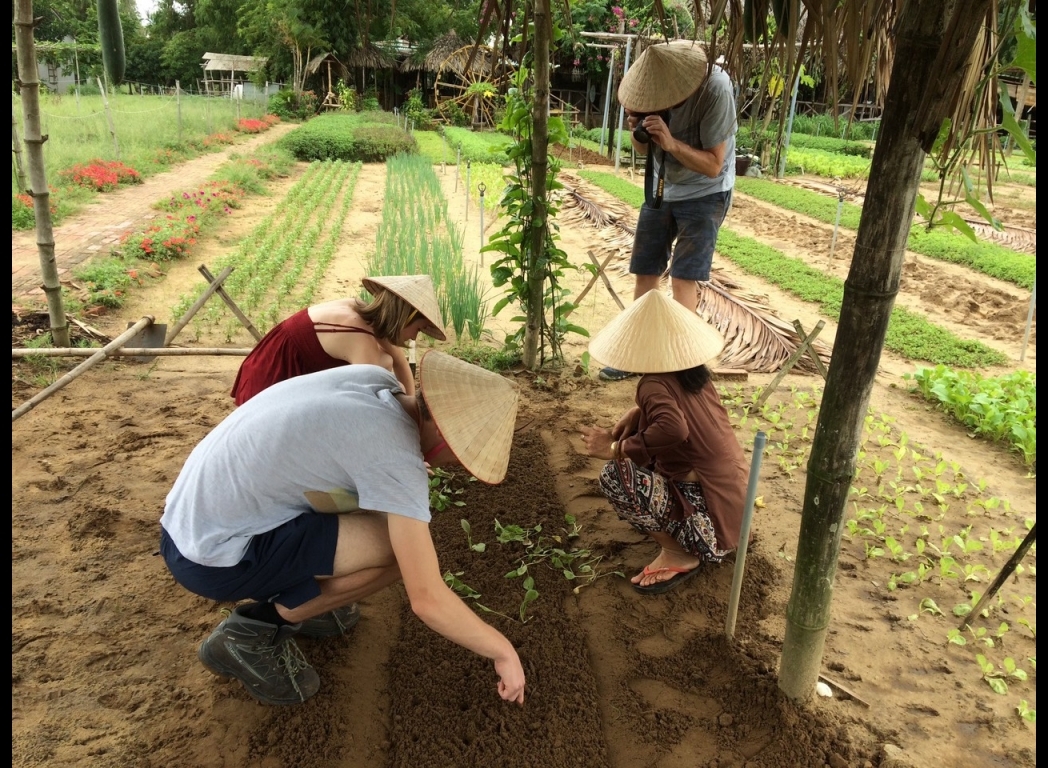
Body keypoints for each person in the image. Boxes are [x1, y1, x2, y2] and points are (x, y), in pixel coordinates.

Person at [160, 351, 526, 706]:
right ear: (448, 440)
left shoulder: (377, 382)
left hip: (191, 520)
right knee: (399, 556)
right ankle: (252, 632)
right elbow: (427, 599)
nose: (456, 465)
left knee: (389, 521)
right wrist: (501, 650)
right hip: (213, 557)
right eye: (461, 457)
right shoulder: (394, 456)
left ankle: (309, 599)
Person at [580, 290, 748, 594]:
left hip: (710, 536)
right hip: (737, 515)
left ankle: (679, 554)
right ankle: (681, 539)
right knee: (643, 444)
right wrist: (640, 412)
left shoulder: (652, 383)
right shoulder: (695, 375)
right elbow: (680, 421)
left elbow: (674, 428)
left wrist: (615, 449)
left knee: (615, 475)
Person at [600, 39, 737, 382]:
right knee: (645, 267)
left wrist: (671, 142)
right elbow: (641, 147)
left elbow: (713, 166)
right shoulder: (650, 95)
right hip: (664, 189)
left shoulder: (715, 88)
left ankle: (683, 367)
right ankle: (636, 354)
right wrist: (640, 130)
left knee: (684, 277)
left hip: (706, 191)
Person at [230, 274, 446, 405]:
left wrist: (410, 404)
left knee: (388, 366)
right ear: (403, 317)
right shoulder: (358, 337)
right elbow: (369, 405)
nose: (414, 338)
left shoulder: (361, 311)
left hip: (274, 363)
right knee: (384, 380)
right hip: (272, 377)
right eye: (418, 329)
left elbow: (399, 360)